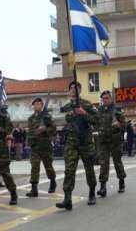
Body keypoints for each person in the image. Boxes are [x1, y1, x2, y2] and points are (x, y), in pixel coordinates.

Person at [56, 81, 98, 210]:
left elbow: (97, 121)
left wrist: (84, 113)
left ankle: (91, 193)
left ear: (80, 90)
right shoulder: (67, 106)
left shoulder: (87, 104)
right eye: (71, 88)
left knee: (89, 168)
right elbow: (62, 120)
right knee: (69, 169)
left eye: (76, 88)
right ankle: (67, 198)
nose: (73, 90)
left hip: (85, 141)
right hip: (72, 142)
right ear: (69, 91)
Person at [96, 91, 127, 198]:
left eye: (107, 98)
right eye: (103, 98)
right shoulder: (99, 111)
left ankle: (121, 181)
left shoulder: (117, 110)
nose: (105, 100)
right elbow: (96, 123)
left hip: (115, 140)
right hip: (103, 141)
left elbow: (125, 125)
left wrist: (119, 125)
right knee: (103, 163)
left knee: (117, 162)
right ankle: (103, 187)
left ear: (111, 99)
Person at [25, 97, 57, 198]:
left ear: (42, 105)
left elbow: (54, 130)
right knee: (34, 166)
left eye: (39, 104)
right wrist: (29, 141)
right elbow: (30, 132)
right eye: (35, 104)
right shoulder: (31, 118)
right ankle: (34, 189)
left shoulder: (47, 117)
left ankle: (52, 181)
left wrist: (45, 129)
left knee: (48, 167)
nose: (36, 106)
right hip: (35, 146)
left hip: (45, 146)